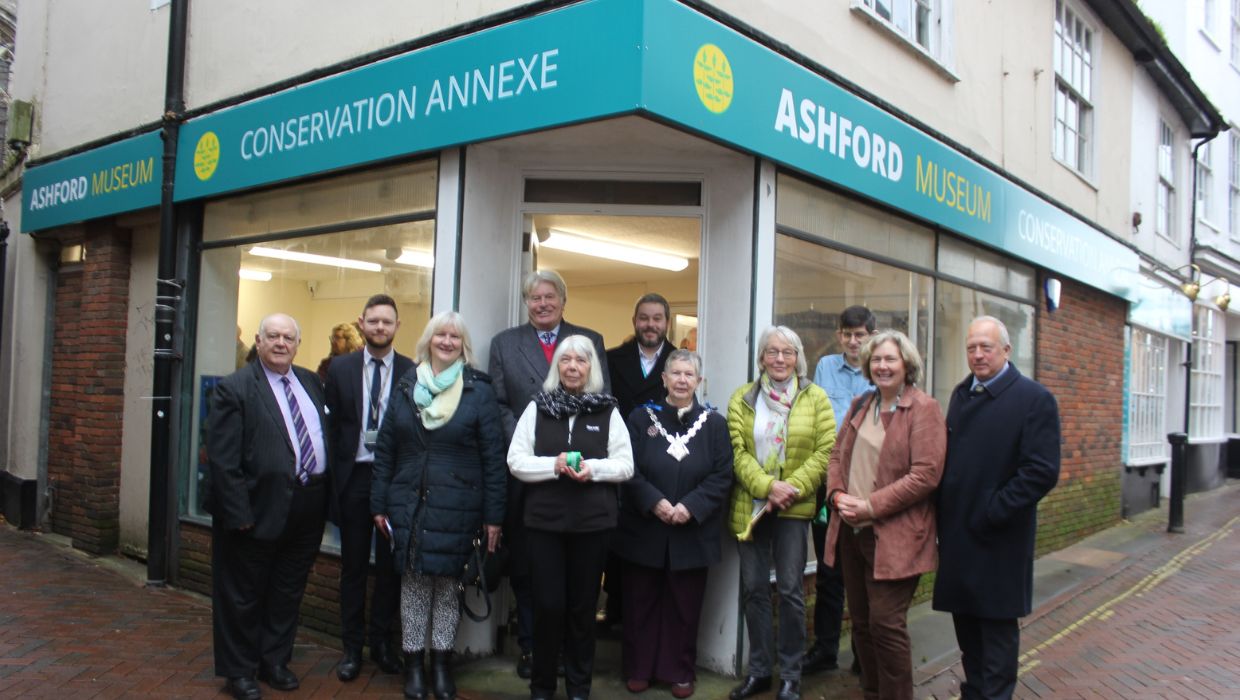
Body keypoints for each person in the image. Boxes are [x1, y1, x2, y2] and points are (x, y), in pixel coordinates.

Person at [371, 311, 507, 700]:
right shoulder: (406, 385)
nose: (447, 341)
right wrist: (378, 503)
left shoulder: (478, 390)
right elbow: (386, 450)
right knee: (413, 586)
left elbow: (493, 459)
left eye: (455, 336)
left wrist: (494, 516)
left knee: (448, 587)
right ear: (428, 340)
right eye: (440, 335)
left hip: (459, 505)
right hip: (408, 502)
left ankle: (442, 668)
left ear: (463, 345)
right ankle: (414, 667)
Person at [488, 269, 609, 678]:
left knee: (576, 574)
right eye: (534, 298)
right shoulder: (504, 343)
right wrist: (532, 443)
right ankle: (532, 649)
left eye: (549, 297)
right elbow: (498, 403)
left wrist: (580, 454)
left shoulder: (589, 340)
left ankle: (569, 654)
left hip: (580, 478)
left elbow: (601, 398)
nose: (542, 304)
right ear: (527, 302)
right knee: (528, 566)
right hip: (529, 476)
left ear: (563, 300)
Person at [933, 316, 1060, 700]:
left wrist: (993, 510)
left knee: (996, 639)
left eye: (986, 347)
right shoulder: (961, 394)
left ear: (1006, 350)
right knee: (968, 634)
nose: (977, 354)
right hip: (960, 537)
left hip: (999, 540)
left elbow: (1041, 471)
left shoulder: (1034, 399)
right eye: (971, 347)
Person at [203, 313, 329, 700]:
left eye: (288, 338)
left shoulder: (310, 382)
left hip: (306, 508)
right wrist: (237, 514)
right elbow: (223, 460)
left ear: (298, 345)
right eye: (272, 336)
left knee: (286, 591)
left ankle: (273, 661)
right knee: (242, 595)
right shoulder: (235, 388)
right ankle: (239, 672)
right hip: (254, 510)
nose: (280, 343)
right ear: (258, 341)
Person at [508, 335, 633, 700]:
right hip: (544, 525)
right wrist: (554, 464)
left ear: (591, 367)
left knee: (582, 609)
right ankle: (542, 686)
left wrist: (593, 469)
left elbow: (626, 465)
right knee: (547, 607)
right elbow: (515, 460)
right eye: (566, 360)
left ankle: (579, 688)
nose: (573, 367)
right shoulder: (538, 408)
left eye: (581, 360)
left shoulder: (607, 411)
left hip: (592, 526)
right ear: (557, 367)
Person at [823, 330, 946, 700]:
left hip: (896, 538)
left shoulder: (924, 408)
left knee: (886, 625)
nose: (882, 366)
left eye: (890, 359)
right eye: (876, 359)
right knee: (861, 624)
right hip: (852, 532)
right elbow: (836, 455)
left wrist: (870, 506)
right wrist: (837, 494)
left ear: (906, 364)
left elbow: (925, 475)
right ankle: (873, 692)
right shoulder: (862, 403)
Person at [613, 349, 733, 699]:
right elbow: (627, 467)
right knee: (640, 604)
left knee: (684, 606)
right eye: (675, 373)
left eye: (689, 374)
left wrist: (690, 507)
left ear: (699, 381)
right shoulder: (640, 419)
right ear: (663, 379)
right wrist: (655, 502)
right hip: (644, 528)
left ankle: (679, 671)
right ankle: (639, 668)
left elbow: (722, 475)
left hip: (692, 532)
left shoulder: (714, 424)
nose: (682, 380)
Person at [726, 326, 835, 700]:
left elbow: (825, 451)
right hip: (752, 506)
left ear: (798, 357)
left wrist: (790, 488)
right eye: (772, 352)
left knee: (790, 591)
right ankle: (759, 671)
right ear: (761, 357)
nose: (779, 359)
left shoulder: (816, 398)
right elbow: (737, 452)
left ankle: (790, 675)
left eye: (787, 352)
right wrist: (767, 486)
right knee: (754, 590)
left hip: (794, 508)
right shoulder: (743, 398)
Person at [324, 294, 413, 681]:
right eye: (373, 321)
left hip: (394, 481)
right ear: (362, 323)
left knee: (391, 569)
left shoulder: (412, 371)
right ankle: (351, 648)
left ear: (397, 326)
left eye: (387, 322)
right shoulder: (340, 368)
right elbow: (330, 428)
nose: (380, 328)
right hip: (355, 480)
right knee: (354, 567)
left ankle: (381, 643)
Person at [807, 305, 876, 675]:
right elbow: (820, 421)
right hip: (828, 485)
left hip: (866, 486)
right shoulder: (825, 367)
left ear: (871, 337)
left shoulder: (880, 371)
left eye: (859, 335)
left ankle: (865, 654)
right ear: (839, 335)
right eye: (847, 334)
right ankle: (825, 649)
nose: (852, 341)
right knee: (828, 568)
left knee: (865, 569)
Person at [604, 292, 674, 629]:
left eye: (657, 318)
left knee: (649, 539)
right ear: (634, 321)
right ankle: (614, 610)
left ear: (667, 323)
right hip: (617, 456)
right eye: (644, 318)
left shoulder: (679, 362)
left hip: (660, 462)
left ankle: (646, 620)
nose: (650, 324)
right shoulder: (610, 358)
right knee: (616, 535)